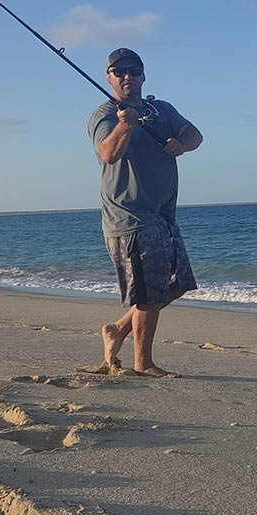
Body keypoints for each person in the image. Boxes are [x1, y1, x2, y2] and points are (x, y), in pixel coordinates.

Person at [87, 47, 203, 377]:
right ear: (109, 77)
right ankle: (143, 363)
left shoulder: (161, 109)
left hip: (164, 215)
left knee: (178, 283)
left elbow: (195, 134)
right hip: (130, 217)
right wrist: (125, 126)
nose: (128, 77)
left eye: (134, 71)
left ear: (143, 75)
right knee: (149, 294)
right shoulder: (105, 115)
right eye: (119, 72)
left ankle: (118, 330)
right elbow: (108, 153)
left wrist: (181, 143)